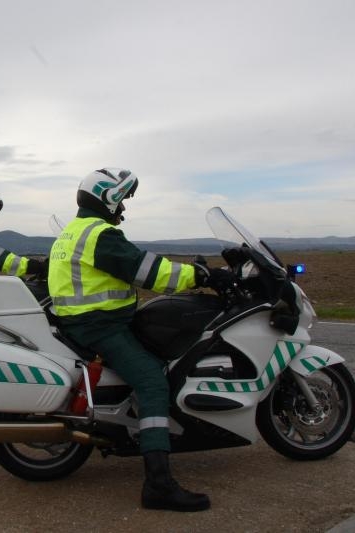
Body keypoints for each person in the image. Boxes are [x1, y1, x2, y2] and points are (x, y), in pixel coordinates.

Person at [47, 168, 234, 512]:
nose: (123, 208)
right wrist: (202, 275)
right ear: (107, 198)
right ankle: (158, 484)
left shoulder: (74, 232)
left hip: (89, 322)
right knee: (152, 382)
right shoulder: (99, 234)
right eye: (120, 200)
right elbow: (149, 271)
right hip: (100, 326)